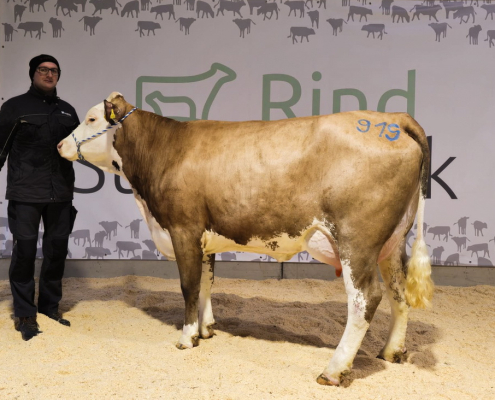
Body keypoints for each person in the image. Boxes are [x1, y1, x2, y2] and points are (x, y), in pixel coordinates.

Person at [0, 55, 80, 341]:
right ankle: (25, 314)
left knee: (56, 251)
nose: (49, 74)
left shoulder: (68, 112)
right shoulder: (13, 107)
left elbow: (79, 150)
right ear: (33, 74)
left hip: (60, 193)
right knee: (24, 253)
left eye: (54, 71)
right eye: (43, 70)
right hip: (25, 194)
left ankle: (49, 308)